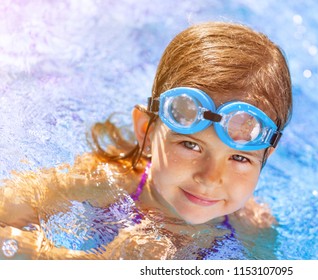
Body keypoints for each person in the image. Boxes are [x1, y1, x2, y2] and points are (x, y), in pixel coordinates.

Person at [0, 21, 292, 259]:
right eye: (191, 145)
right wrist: (104, 261)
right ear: (147, 132)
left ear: (266, 156)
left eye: (239, 158)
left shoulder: (252, 227)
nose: (210, 178)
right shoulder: (103, 180)